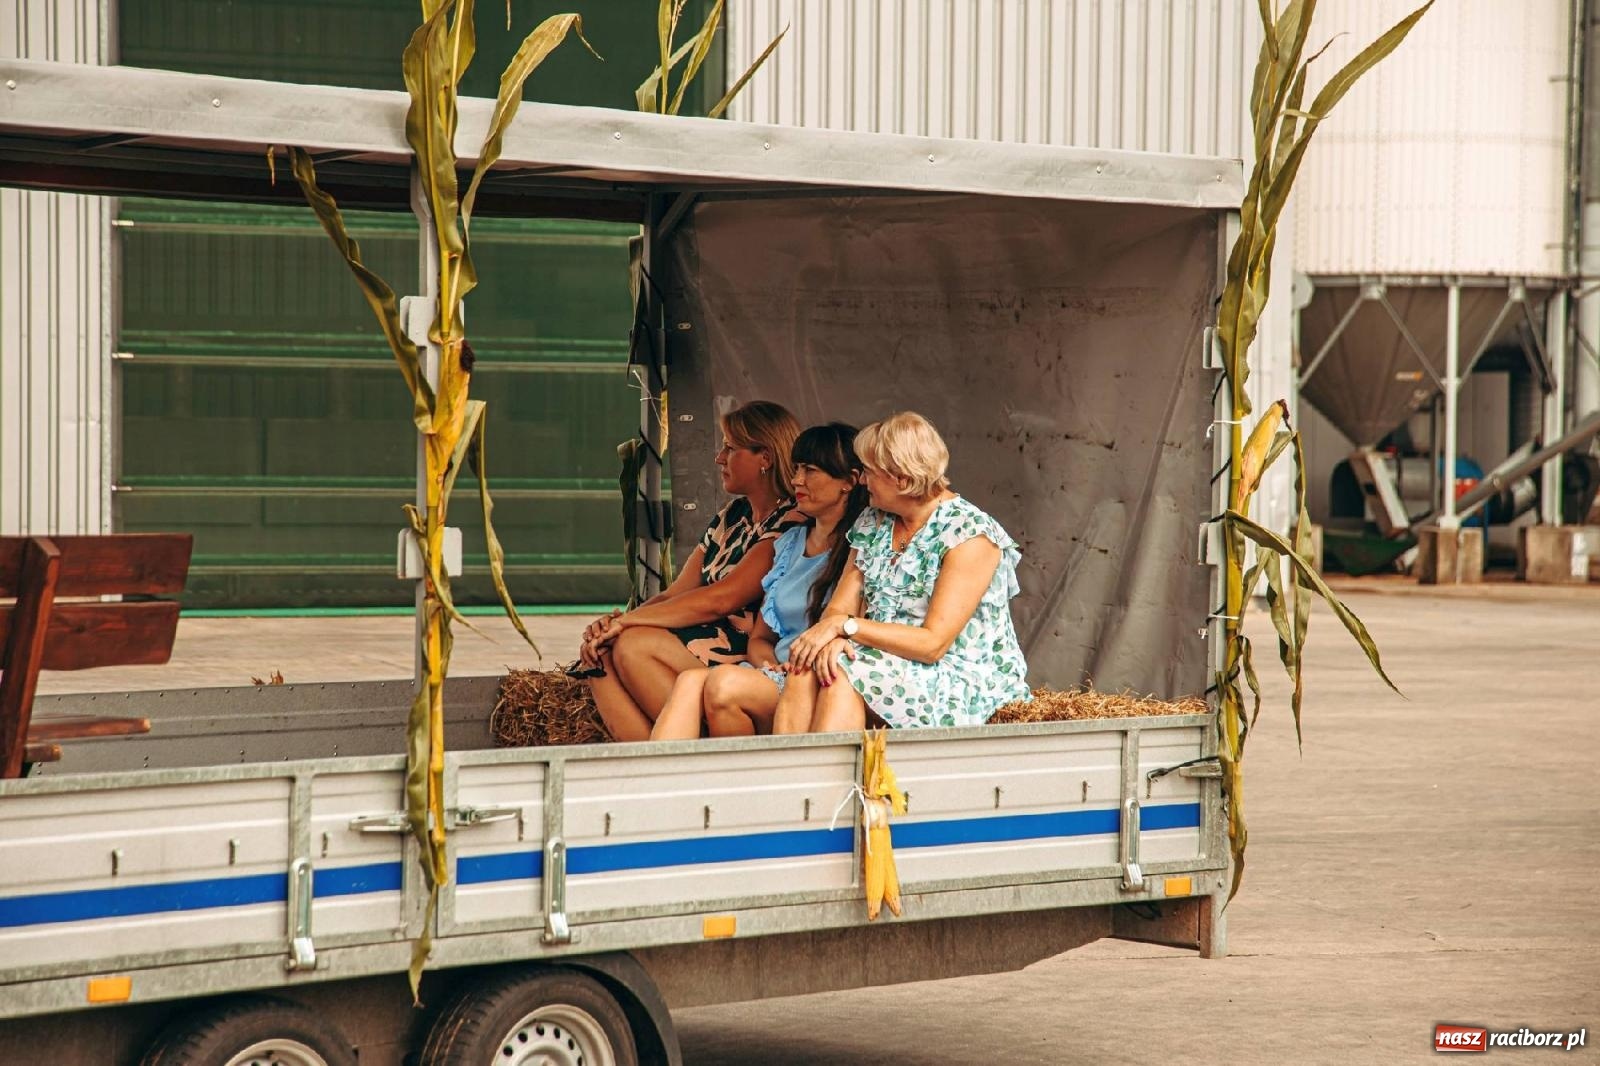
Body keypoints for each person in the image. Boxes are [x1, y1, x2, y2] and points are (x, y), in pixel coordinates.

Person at [779, 411, 1029, 733]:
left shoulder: (969, 534)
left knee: (841, 672)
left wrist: (847, 629)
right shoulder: (873, 521)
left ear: (903, 479)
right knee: (805, 668)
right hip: (886, 660)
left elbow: (932, 644)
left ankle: (827, 782)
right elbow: (840, 607)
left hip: (956, 677)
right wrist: (833, 636)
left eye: (869, 472)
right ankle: (792, 781)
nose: (863, 481)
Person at [578, 401, 804, 741]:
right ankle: (642, 767)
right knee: (598, 654)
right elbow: (675, 593)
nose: (719, 458)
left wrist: (628, 624)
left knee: (632, 645)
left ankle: (688, 751)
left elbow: (722, 599)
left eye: (730, 448)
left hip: (745, 647)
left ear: (765, 459)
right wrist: (612, 626)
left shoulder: (791, 520)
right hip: (698, 638)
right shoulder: (732, 515)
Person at [650, 423, 869, 740]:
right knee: (688, 682)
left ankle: (737, 782)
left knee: (722, 685)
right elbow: (760, 638)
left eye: (810, 470)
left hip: (813, 682)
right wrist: (769, 665)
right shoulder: (789, 543)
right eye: (796, 469)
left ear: (848, 481)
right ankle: (659, 783)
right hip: (772, 672)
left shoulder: (862, 547)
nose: (796, 480)